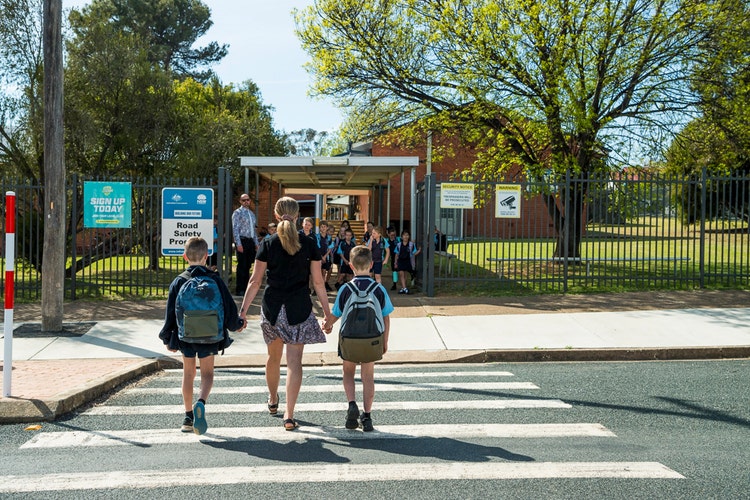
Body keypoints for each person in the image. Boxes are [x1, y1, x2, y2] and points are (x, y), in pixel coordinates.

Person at [239, 197, 333, 431]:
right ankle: (289, 416)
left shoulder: (268, 242)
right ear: (298, 215)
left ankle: (273, 400)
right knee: (294, 363)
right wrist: (328, 313)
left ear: (276, 213)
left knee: (273, 358)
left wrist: (242, 312)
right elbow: (319, 282)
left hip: (272, 308)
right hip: (298, 308)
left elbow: (255, 281)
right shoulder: (310, 243)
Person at [159, 237, 243, 435]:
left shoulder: (179, 281)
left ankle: (188, 417)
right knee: (207, 374)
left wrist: (167, 338)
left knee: (188, 373)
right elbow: (229, 309)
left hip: (186, 335)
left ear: (185, 256)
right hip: (210, 334)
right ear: (207, 256)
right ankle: (201, 401)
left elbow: (170, 313)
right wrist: (237, 324)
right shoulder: (215, 280)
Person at [323, 245, 393, 432]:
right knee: (368, 376)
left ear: (351, 266)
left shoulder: (346, 289)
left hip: (350, 338)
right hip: (372, 339)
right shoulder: (379, 289)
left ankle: (352, 404)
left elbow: (336, 313)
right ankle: (367, 416)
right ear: (371, 265)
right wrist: (384, 341)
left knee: (348, 372)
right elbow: (386, 317)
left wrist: (327, 324)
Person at [232, 193, 259, 296]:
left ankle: (246, 288)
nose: (246, 202)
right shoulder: (237, 213)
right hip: (242, 241)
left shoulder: (252, 214)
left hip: (250, 241)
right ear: (240, 201)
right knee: (242, 266)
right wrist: (238, 244)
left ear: (250, 201)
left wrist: (256, 244)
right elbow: (235, 229)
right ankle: (240, 289)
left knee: (248, 265)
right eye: (243, 200)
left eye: (247, 200)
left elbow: (254, 230)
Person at [395, 230, 420, 294]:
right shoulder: (399, 244)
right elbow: (396, 254)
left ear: (409, 236)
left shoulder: (411, 244)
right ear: (401, 237)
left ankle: (403, 288)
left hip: (407, 261)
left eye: (407, 235)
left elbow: (413, 253)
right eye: (404, 235)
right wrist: (395, 262)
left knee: (405, 275)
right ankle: (405, 288)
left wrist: (419, 251)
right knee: (401, 274)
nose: (405, 237)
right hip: (400, 261)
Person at [385, 226, 400, 291]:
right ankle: (395, 284)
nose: (393, 236)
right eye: (391, 235)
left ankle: (398, 283)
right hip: (392, 257)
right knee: (394, 270)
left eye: (394, 235)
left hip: (399, 256)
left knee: (399, 270)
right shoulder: (387, 241)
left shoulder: (398, 240)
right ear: (388, 234)